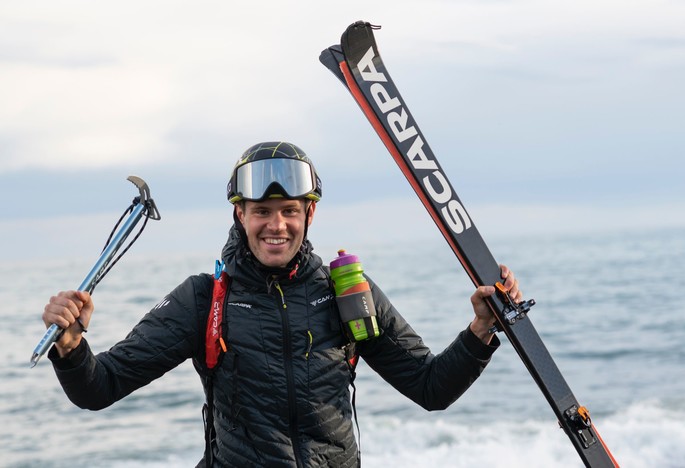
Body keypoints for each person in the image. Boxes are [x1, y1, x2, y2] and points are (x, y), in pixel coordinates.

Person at [43, 141, 522, 467]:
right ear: (240, 214)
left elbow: (430, 387)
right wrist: (70, 345)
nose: (278, 225)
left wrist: (481, 330)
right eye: (263, 212)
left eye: (290, 210)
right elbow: (98, 388)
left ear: (309, 213)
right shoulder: (203, 299)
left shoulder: (348, 292)